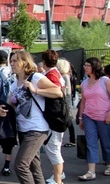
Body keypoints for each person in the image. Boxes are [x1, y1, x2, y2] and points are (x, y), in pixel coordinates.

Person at [0, 51, 63, 184]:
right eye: (11, 61)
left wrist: (36, 90)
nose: (12, 63)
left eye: (15, 61)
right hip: (23, 129)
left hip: (37, 129)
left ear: (25, 63)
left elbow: (58, 92)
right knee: (34, 167)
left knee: (21, 165)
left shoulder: (35, 77)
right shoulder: (15, 84)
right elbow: (10, 105)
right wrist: (1, 109)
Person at [78, 57, 110, 181]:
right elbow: (83, 102)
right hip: (89, 116)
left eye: (87, 65)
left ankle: (109, 163)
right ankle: (91, 171)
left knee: (106, 143)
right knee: (91, 144)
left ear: (94, 67)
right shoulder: (84, 83)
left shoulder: (105, 81)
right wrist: (81, 117)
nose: (85, 67)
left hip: (105, 117)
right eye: (85, 65)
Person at [41, 50, 66, 184]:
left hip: (54, 116)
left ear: (44, 61)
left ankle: (58, 178)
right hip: (58, 115)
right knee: (54, 148)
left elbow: (56, 92)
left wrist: (37, 90)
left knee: (53, 148)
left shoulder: (51, 75)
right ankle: (58, 175)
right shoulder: (56, 73)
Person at [58, 59, 76, 148]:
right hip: (66, 101)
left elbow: (66, 91)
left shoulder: (64, 76)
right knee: (68, 121)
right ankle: (72, 139)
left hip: (65, 101)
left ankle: (72, 139)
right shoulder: (66, 76)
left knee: (68, 121)